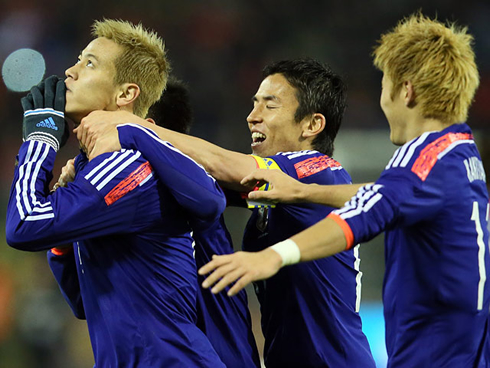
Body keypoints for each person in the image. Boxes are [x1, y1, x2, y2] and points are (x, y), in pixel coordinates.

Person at [198, 13, 490, 367]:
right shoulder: (462, 155)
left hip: (433, 356)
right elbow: (385, 195)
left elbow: (362, 216)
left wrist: (272, 256)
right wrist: (303, 193)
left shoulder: (421, 156)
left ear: (406, 91)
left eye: (384, 85)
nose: (383, 100)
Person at [75, 58, 376, 367]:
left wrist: (136, 128)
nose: (252, 117)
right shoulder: (274, 194)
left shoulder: (320, 170)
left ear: (312, 125)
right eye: (254, 104)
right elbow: (193, 179)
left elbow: (221, 163)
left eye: (269, 106)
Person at [5, 19, 227, 367]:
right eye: (79, 59)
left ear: (126, 94)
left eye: (89, 63)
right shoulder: (93, 171)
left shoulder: (126, 167)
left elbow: (24, 225)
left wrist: (40, 141)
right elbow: (84, 302)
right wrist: (64, 239)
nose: (71, 71)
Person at [53, 77, 261, 368]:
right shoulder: (125, 205)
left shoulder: (177, 193)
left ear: (145, 127)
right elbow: (83, 302)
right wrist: (63, 239)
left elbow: (216, 194)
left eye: (105, 124)